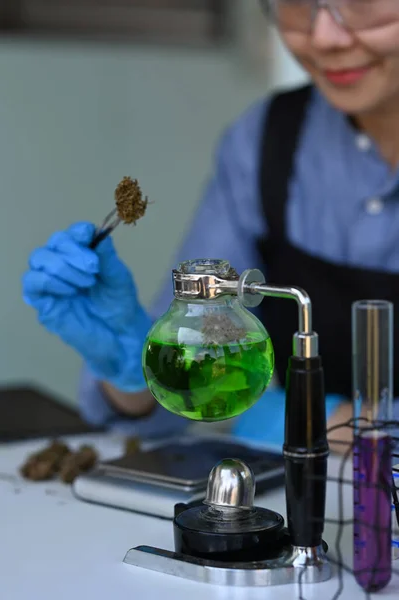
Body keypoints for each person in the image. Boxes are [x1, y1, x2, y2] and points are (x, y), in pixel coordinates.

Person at [22, 0, 399, 452]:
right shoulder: (265, 141)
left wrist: (329, 419)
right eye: (297, 3)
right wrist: (132, 365)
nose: (323, 37)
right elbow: (190, 389)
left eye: (359, 3)